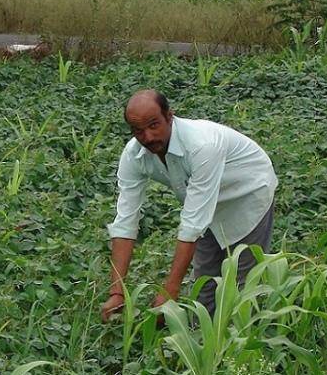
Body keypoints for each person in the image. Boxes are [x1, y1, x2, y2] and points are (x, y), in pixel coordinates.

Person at [100, 89, 278, 322]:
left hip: (247, 195)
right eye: (138, 131)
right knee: (204, 285)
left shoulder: (201, 146)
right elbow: (125, 222)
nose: (148, 137)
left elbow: (192, 224)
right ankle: (201, 344)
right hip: (205, 205)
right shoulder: (134, 156)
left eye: (154, 125)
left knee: (240, 287)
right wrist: (116, 291)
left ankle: (239, 347)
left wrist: (169, 292)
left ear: (169, 116)